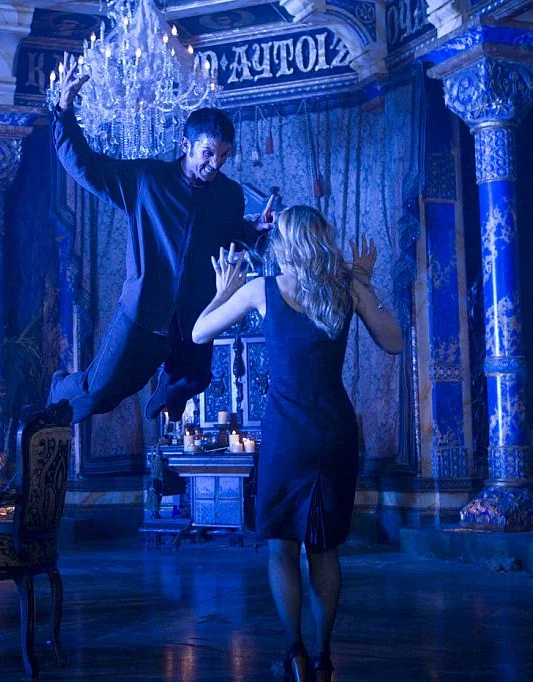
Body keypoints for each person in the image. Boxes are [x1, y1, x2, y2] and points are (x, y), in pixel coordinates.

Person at [192, 206, 402, 681]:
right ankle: (324, 657)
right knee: (324, 549)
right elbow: (394, 342)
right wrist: (364, 284)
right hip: (335, 432)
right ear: (323, 240)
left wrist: (222, 291)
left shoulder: (261, 289)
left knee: (282, 548)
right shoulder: (346, 288)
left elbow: (199, 332)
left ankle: (295, 653)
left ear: (282, 243)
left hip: (287, 435)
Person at [47, 54, 273, 424]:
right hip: (143, 311)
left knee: (196, 377)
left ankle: (167, 396)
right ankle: (59, 389)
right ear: (186, 145)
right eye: (207, 153)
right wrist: (63, 111)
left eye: (223, 155)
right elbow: (85, 165)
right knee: (99, 393)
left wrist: (256, 230)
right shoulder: (148, 181)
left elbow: (231, 239)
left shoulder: (229, 194)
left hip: (193, 315)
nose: (215, 164)